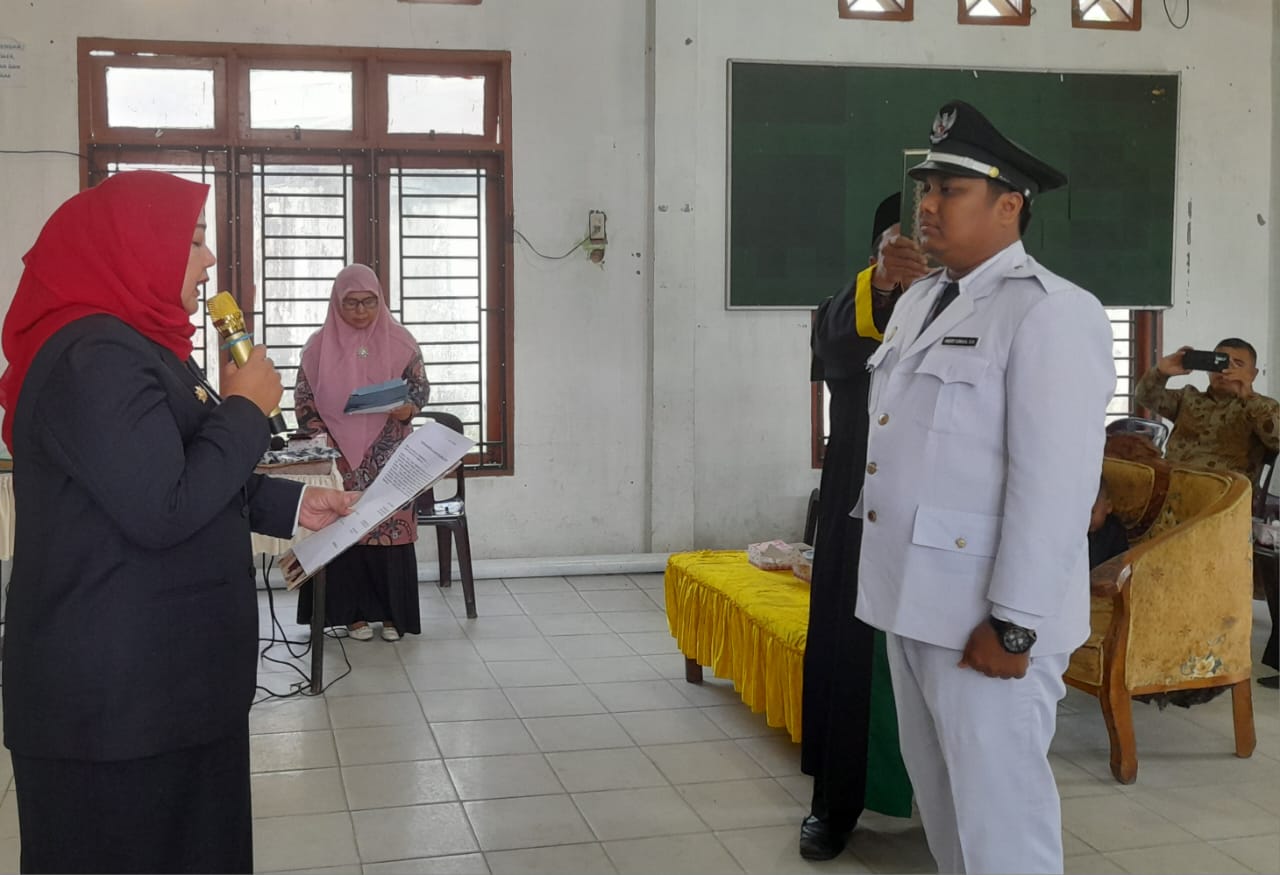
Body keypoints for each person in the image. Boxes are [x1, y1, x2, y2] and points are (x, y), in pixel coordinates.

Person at [0, 170, 358, 873]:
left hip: (167, 689)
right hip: (116, 709)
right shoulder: (91, 357)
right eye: (193, 240)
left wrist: (290, 504)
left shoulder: (142, 348)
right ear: (131, 248)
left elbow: (185, 469)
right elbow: (163, 505)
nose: (210, 260)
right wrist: (246, 408)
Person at [854, 101, 1116, 874]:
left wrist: (1014, 625)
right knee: (945, 809)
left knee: (1003, 824)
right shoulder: (921, 299)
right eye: (926, 187)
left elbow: (1055, 485)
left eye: (952, 190)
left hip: (988, 616)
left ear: (1010, 205)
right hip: (915, 601)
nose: (928, 204)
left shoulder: (1050, 312)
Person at [800, 194, 923, 860]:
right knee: (852, 658)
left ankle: (951, 809)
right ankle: (835, 805)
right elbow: (833, 346)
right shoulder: (852, 307)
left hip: (944, 524)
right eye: (895, 244)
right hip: (861, 509)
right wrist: (880, 285)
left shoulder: (979, 311)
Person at [294, 264, 429, 642]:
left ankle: (392, 615)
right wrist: (325, 438)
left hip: (390, 455)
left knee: (390, 533)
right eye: (351, 303)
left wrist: (408, 409)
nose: (360, 311)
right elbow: (304, 402)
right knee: (343, 531)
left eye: (369, 302)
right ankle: (350, 615)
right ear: (336, 303)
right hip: (338, 458)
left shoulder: (401, 341)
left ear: (380, 300)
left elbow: (419, 388)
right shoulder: (317, 347)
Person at [1134, 339, 1280, 483]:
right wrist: (1160, 372)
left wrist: (1250, 396)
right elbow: (1145, 397)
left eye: (1237, 365)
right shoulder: (1187, 398)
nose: (1225, 371)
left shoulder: (1262, 408)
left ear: (1253, 374)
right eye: (1219, 362)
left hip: (1224, 491)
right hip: (1171, 483)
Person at [1088, 476, 1129, 569]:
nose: (1087, 519)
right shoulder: (1076, 529)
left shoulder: (1116, 531)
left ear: (1108, 507)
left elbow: (1121, 562)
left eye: (1092, 512)